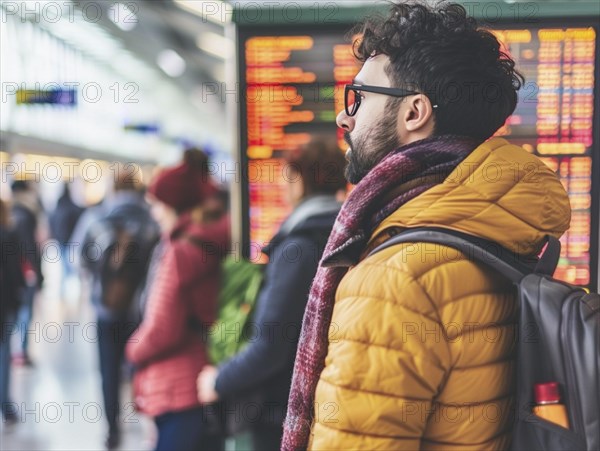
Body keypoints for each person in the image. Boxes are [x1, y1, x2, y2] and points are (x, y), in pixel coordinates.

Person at [282, 2, 572, 450]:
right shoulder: (505, 229)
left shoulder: (395, 277)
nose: (345, 117)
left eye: (359, 98)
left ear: (414, 113)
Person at [197, 139, 346, 450]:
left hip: (281, 409)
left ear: (301, 179)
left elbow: (272, 344)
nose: (282, 185)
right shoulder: (341, 232)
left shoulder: (298, 247)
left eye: (287, 176)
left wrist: (219, 380)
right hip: (324, 398)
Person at [126, 149, 230, 451]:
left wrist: (131, 350)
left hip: (177, 386)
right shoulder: (210, 239)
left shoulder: (179, 252)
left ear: (174, 205)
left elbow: (162, 327)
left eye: (157, 204)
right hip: (202, 373)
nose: (154, 212)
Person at [74, 168, 159, 449]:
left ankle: (113, 428)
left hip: (106, 310)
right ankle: (148, 419)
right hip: (143, 312)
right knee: (142, 366)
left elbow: (80, 259)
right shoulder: (151, 220)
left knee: (108, 370)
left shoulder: (96, 219)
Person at [10, 180, 44, 367]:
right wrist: (38, 274)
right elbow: (29, 248)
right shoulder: (26, 214)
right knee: (25, 313)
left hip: (12, 274)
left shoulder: (10, 213)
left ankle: (16, 349)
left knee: (17, 313)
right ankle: (21, 350)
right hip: (26, 273)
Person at [0, 198, 25, 424]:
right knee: (3, 354)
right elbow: (14, 272)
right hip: (4, 303)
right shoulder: (8, 235)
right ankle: (5, 405)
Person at [49, 182, 84, 297]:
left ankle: (65, 290)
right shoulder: (71, 208)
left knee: (65, 265)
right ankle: (69, 290)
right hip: (69, 240)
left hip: (62, 240)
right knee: (69, 265)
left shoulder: (58, 208)